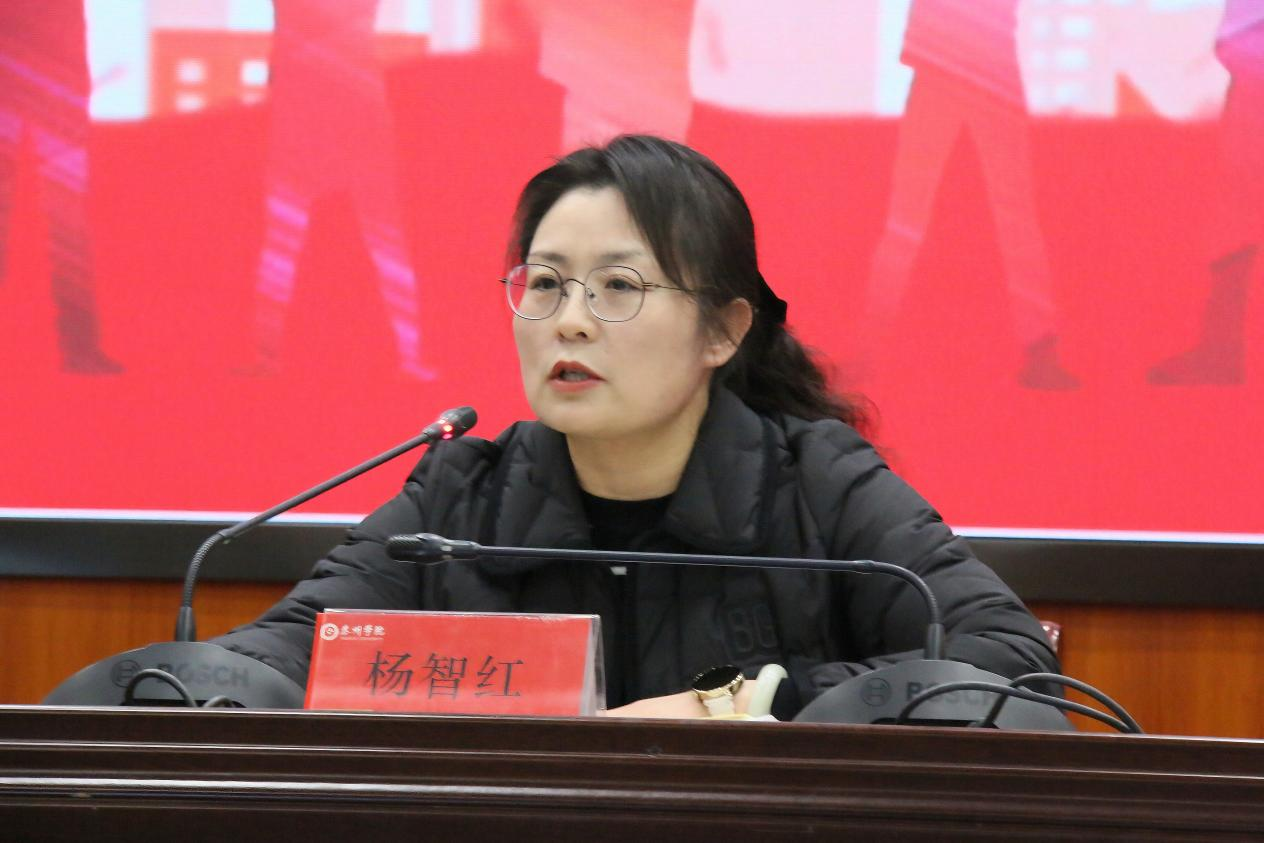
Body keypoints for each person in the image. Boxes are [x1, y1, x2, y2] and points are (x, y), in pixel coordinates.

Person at [213, 135, 1058, 719]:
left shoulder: (816, 484)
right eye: (546, 283)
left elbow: (1008, 655)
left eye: (618, 287)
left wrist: (741, 702)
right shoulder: (460, 496)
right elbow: (271, 660)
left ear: (723, 331)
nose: (570, 321)